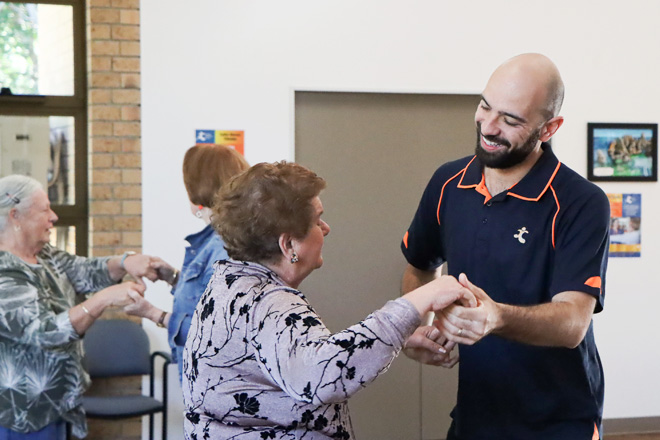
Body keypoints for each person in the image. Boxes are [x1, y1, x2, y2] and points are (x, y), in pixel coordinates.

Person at [182, 161, 476, 439]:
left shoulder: (230, 285)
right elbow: (322, 375)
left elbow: (298, 352)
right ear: (289, 245)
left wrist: (399, 338)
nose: (326, 229)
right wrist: (417, 302)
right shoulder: (267, 302)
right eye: (317, 220)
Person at [400, 53, 610, 440]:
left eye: (511, 120)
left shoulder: (582, 201)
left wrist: (497, 317)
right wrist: (417, 326)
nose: (488, 125)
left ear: (549, 129)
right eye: (484, 106)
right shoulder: (448, 183)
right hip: (476, 412)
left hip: (560, 420)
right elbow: (420, 267)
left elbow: (572, 323)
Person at [0, 175, 172, 439]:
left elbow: (83, 270)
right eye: (45, 209)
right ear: (15, 216)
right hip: (23, 414)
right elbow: (44, 332)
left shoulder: (43, 254)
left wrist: (126, 262)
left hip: (58, 404)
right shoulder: (5, 272)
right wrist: (104, 299)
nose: (54, 216)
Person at [124, 144, 249, 380]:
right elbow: (205, 298)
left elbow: (213, 331)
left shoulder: (223, 247)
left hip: (213, 383)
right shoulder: (215, 241)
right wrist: (172, 277)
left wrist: (151, 313)